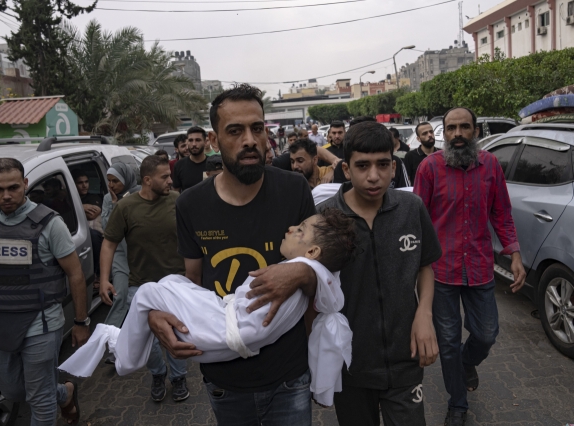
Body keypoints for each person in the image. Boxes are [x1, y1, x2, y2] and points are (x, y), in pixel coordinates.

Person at [60, 209, 357, 408]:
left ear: (313, 252)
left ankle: (123, 353)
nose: (291, 228)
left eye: (301, 229)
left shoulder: (301, 272)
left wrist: (302, 270)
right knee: (172, 284)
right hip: (227, 329)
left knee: (150, 290)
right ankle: (123, 343)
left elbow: (251, 325)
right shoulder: (317, 278)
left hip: (224, 333)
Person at [149, 84, 321, 425]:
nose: (249, 140)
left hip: (289, 375)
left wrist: (301, 275)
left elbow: (321, 271)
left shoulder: (294, 189)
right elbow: (192, 283)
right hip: (224, 380)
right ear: (214, 141)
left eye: (257, 129)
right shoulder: (190, 204)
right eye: (235, 131)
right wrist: (158, 314)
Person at [318, 122, 442, 426]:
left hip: (405, 359)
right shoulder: (324, 219)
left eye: (383, 165)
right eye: (362, 166)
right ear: (346, 170)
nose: (373, 175)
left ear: (393, 165)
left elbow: (425, 265)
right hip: (349, 365)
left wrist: (424, 314)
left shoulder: (411, 208)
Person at [0, 158, 89, 425]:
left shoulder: (49, 223)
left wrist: (81, 321)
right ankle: (65, 392)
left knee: (40, 400)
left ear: (25, 184)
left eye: (13, 187)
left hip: (41, 323)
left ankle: (53, 396)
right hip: (0, 324)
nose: (7, 196)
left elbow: (75, 273)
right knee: (13, 390)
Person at [413, 107, 526, 426]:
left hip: (479, 266)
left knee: (487, 333)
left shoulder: (490, 166)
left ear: (476, 131)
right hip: (441, 271)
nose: (458, 134)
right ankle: (457, 403)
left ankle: (467, 362)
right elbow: (418, 221)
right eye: (451, 128)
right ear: (443, 133)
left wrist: (514, 254)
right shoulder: (428, 168)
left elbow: (502, 213)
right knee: (447, 341)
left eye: (465, 127)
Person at [99, 155, 190, 403]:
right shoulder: (126, 208)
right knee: (145, 338)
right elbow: (109, 244)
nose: (170, 180)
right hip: (139, 285)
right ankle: (158, 373)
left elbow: (194, 239)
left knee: (176, 333)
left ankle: (179, 377)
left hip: (175, 283)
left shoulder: (177, 201)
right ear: (147, 180)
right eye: (165, 177)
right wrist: (105, 279)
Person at [99, 163, 141, 332]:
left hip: (139, 255)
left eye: (115, 181)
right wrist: (114, 205)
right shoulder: (108, 199)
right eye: (109, 181)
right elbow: (107, 228)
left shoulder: (139, 195)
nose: (111, 185)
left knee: (138, 298)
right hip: (119, 255)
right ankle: (108, 338)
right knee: (120, 295)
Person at [72, 170, 104, 291]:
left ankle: (96, 273)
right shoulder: (69, 198)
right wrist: (83, 208)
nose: (84, 185)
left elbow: (92, 214)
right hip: (73, 229)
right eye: (80, 183)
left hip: (89, 231)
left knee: (94, 236)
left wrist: (77, 208)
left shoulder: (93, 197)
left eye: (86, 182)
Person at [274, 132, 340, 172]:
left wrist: (335, 167)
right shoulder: (292, 182)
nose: (295, 166)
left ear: (315, 160)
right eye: (292, 162)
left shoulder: (326, 174)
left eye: (300, 161)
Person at [173, 126, 207, 192]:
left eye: (198, 140)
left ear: (205, 142)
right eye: (190, 140)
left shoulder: (213, 164)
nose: (194, 144)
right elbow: (176, 193)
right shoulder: (179, 165)